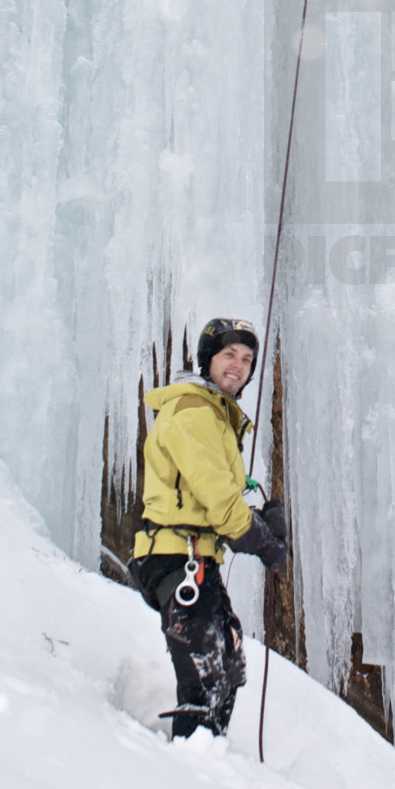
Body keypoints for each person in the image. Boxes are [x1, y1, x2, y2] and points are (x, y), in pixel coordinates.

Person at [129, 317, 287, 739]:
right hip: (174, 556)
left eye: (247, 359)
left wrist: (256, 519)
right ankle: (190, 769)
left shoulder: (216, 416)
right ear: (208, 360)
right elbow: (217, 497)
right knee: (207, 675)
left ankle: (201, 759)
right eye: (228, 355)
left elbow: (214, 496)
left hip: (194, 557)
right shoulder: (193, 410)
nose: (238, 365)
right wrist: (261, 539)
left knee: (227, 666)